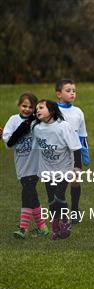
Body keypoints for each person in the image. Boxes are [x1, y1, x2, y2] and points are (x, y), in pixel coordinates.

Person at [33, 100, 82, 240]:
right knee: (51, 199)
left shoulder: (63, 127)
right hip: (47, 170)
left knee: (58, 197)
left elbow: (76, 147)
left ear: (52, 111)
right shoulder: (36, 127)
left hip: (64, 168)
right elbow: (22, 132)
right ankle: (55, 227)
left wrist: (77, 167)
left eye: (41, 108)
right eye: (36, 109)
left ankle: (65, 221)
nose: (37, 110)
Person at [3, 92, 49, 238]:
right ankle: (42, 227)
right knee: (31, 194)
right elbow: (8, 141)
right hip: (21, 163)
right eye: (24, 106)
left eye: (31, 107)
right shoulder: (13, 120)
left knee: (27, 191)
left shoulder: (37, 122)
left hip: (35, 164)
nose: (27, 109)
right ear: (19, 105)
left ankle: (23, 228)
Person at [56, 79, 89, 224]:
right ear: (58, 94)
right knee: (60, 184)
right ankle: (60, 212)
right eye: (68, 91)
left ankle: (75, 210)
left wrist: (85, 154)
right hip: (60, 154)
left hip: (75, 153)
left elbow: (82, 135)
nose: (72, 93)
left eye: (74, 91)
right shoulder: (53, 111)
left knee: (75, 182)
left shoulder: (78, 112)